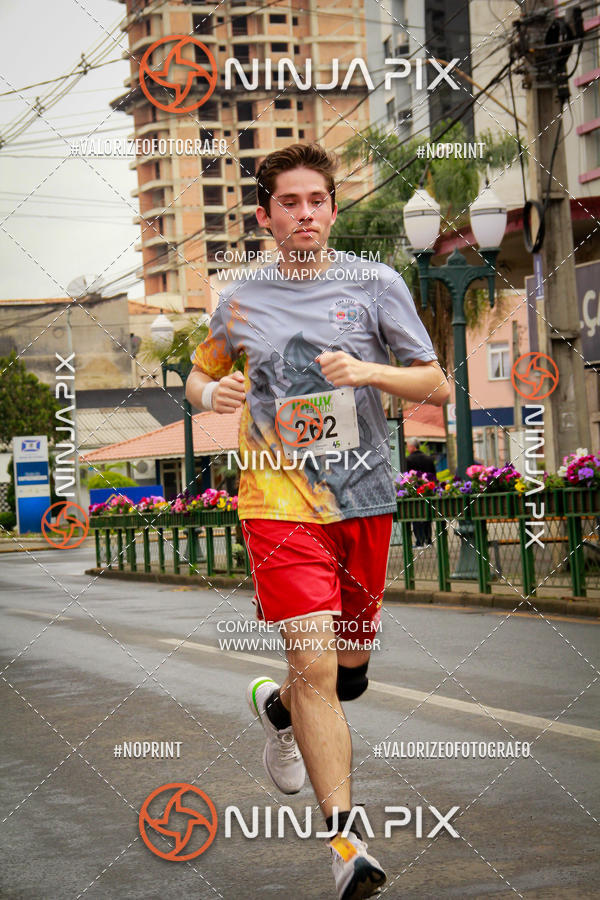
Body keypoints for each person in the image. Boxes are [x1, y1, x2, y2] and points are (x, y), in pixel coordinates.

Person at [186, 143, 450, 899]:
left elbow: (435, 381)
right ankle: (345, 846)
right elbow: (200, 372)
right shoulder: (239, 298)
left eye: (317, 201)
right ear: (265, 216)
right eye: (290, 203)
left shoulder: (377, 284)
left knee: (350, 677)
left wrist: (368, 371)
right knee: (317, 666)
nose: (305, 214)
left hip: (363, 500)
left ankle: (278, 712)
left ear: (333, 208)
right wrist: (213, 398)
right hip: (277, 502)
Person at [405, 438, 438, 548]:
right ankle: (428, 541)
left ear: (412, 447)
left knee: (416, 516)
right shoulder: (429, 459)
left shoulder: (408, 460)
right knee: (427, 516)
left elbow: (406, 478)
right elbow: (434, 476)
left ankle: (419, 542)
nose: (407, 448)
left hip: (414, 493)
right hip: (428, 492)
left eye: (408, 446)